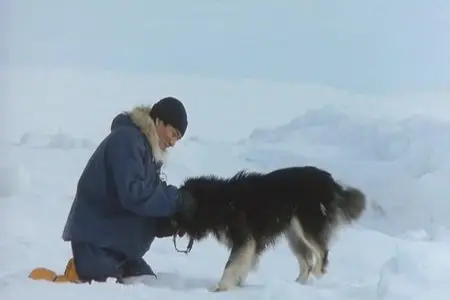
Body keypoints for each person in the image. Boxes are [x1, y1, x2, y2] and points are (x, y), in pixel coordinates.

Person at [60, 96, 197, 285]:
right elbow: (134, 194)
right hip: (96, 245)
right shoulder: (127, 140)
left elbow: (144, 207)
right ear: (159, 121)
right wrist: (176, 200)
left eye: (178, 138)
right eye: (173, 133)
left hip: (120, 251)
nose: (173, 142)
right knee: (107, 288)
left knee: (148, 282)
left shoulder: (147, 153)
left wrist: (172, 221)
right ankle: (66, 279)